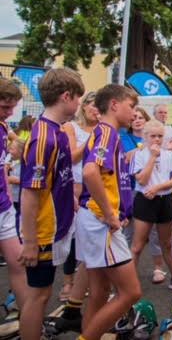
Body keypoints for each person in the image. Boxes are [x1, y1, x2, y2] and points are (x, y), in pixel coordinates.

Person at [18, 69, 84, 340]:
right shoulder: (44, 137)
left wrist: (71, 199)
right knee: (39, 295)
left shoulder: (55, 132)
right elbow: (30, 194)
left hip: (56, 225)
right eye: (78, 97)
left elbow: (57, 178)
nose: (79, 104)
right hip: (44, 231)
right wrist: (31, 242)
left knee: (43, 293)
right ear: (65, 96)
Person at [76, 84, 142, 340]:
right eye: (131, 107)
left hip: (92, 218)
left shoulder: (105, 133)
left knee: (100, 290)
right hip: (99, 221)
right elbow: (91, 172)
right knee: (131, 292)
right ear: (114, 105)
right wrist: (110, 213)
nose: (134, 113)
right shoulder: (107, 133)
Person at [59, 91, 99, 302]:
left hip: (96, 189)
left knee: (91, 240)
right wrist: (93, 139)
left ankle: (89, 283)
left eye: (98, 106)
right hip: (75, 187)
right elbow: (73, 156)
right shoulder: (70, 127)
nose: (95, 109)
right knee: (72, 238)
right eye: (92, 105)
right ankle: (68, 282)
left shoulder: (106, 130)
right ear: (83, 106)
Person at [130, 119, 172, 284]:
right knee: (137, 246)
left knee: (166, 244)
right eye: (153, 136)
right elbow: (142, 180)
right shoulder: (139, 154)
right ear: (145, 136)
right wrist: (152, 157)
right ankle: (128, 283)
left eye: (160, 136)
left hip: (165, 200)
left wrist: (158, 187)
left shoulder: (169, 154)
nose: (157, 139)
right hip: (145, 201)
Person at [0, 80, 27, 324]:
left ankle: (30, 320)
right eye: (4, 107)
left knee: (18, 262)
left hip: (4, 208)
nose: (9, 112)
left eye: (12, 107)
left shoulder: (3, 126)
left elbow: (16, 148)